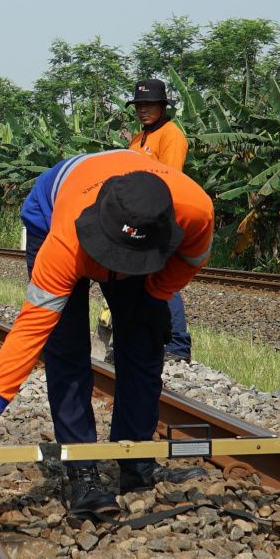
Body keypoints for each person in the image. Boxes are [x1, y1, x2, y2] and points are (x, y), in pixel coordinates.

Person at [0, 150, 214, 518]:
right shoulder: (65, 242)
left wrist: (157, 297)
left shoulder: (195, 212)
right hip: (55, 216)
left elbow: (190, 259)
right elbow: (32, 327)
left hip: (138, 229)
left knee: (143, 344)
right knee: (66, 348)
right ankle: (82, 470)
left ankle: (135, 461)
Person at [126, 78, 193, 364]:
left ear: (163, 106)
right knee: (139, 280)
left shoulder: (171, 136)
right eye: (139, 105)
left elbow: (171, 181)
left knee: (162, 280)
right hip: (137, 218)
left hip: (161, 216)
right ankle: (146, 340)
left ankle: (178, 344)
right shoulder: (137, 139)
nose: (143, 110)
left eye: (149, 104)